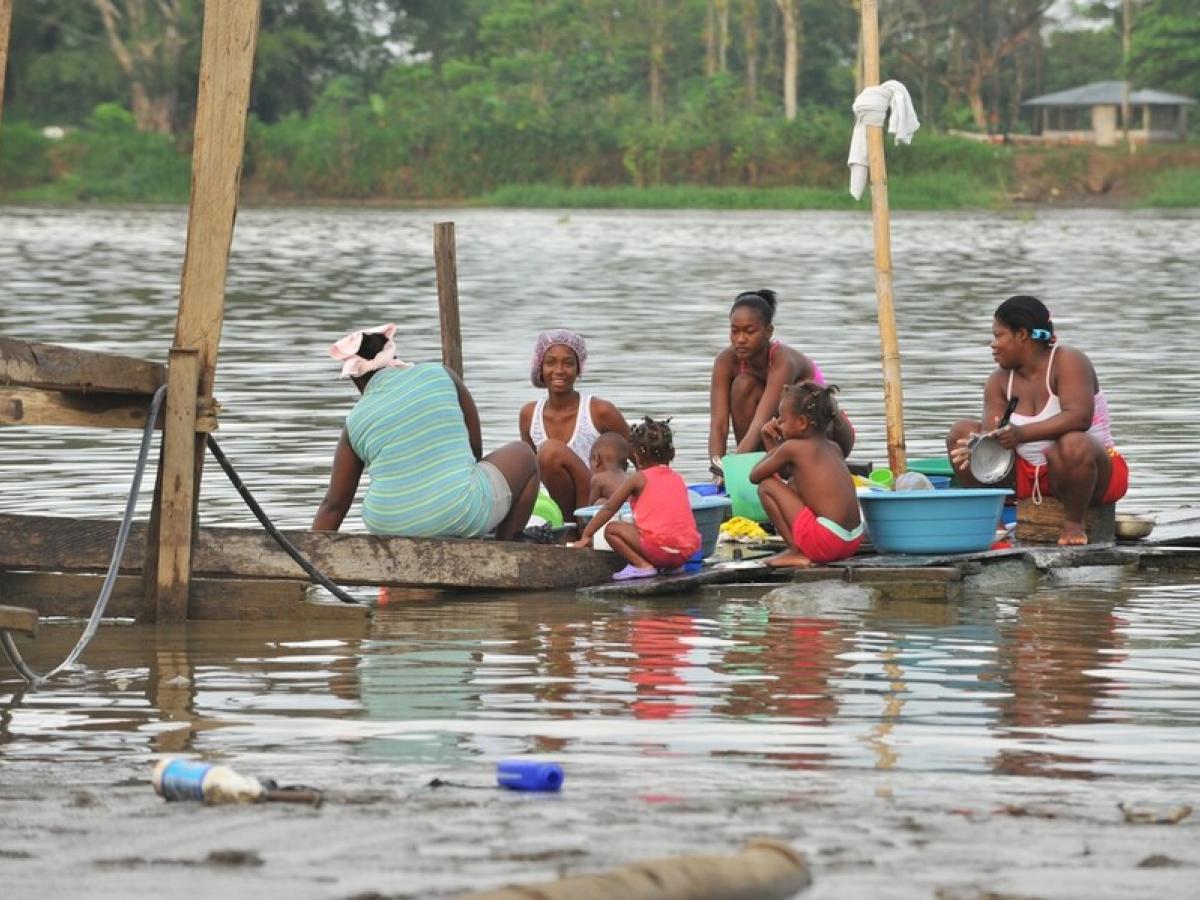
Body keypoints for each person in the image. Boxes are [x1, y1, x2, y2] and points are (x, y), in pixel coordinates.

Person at [313, 323, 539, 540]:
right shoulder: (441, 374)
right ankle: (504, 550)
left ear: (355, 377)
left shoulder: (355, 420)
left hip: (387, 527)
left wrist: (305, 565)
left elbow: (334, 505)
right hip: (459, 512)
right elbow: (474, 453)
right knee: (525, 455)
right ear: (393, 358)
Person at [946, 295, 1128, 546]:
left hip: (1089, 473)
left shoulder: (1068, 361)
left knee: (1073, 442)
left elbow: (1079, 417)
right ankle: (993, 523)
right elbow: (992, 437)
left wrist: (1021, 434)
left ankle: (1074, 524)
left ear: (1022, 335)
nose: (993, 344)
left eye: (999, 336)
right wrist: (978, 448)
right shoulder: (999, 380)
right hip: (1027, 477)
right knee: (961, 433)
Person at [708, 289, 854, 480]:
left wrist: (732, 467)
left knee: (802, 403)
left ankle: (748, 465)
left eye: (749, 332)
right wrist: (716, 469)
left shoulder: (783, 361)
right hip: (782, 438)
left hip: (829, 434)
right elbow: (718, 424)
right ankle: (751, 464)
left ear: (769, 332)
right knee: (743, 385)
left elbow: (762, 419)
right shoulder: (725, 361)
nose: (740, 339)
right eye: (734, 332)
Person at [569, 417, 701, 581]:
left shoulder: (638, 478)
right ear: (672, 454)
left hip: (660, 550)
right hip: (686, 552)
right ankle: (673, 568)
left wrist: (586, 535)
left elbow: (610, 508)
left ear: (637, 456)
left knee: (611, 530)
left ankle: (642, 566)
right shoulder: (678, 478)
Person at [519, 328, 629, 522]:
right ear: (540, 368)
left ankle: (578, 530)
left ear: (579, 369)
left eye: (568, 363)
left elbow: (641, 459)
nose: (559, 371)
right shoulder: (529, 415)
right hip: (553, 509)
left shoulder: (600, 411)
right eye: (550, 363)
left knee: (550, 451)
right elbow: (529, 475)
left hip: (594, 507)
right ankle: (565, 530)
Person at [749, 382, 863, 568]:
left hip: (828, 542)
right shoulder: (834, 448)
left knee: (767, 486)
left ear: (802, 422)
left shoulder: (793, 447)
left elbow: (755, 475)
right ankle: (801, 548)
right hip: (851, 541)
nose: (777, 423)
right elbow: (786, 475)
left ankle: (796, 551)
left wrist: (768, 438)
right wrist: (772, 442)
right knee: (793, 484)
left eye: (782, 419)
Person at [588, 431, 630, 505]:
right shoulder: (630, 478)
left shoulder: (598, 479)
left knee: (599, 502)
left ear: (596, 459)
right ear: (626, 466)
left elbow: (589, 509)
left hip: (619, 512)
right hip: (634, 511)